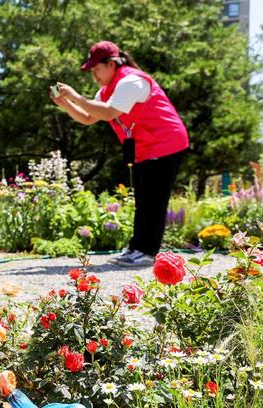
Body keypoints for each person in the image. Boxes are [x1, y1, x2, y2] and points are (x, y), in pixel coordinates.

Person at [50, 41, 189, 266]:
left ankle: (147, 252)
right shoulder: (106, 90)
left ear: (112, 63)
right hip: (144, 147)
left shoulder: (131, 81)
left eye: (96, 68)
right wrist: (65, 103)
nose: (94, 74)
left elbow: (108, 113)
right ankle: (136, 248)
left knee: (153, 200)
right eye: (91, 70)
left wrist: (76, 96)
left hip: (166, 142)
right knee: (143, 199)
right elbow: (88, 118)